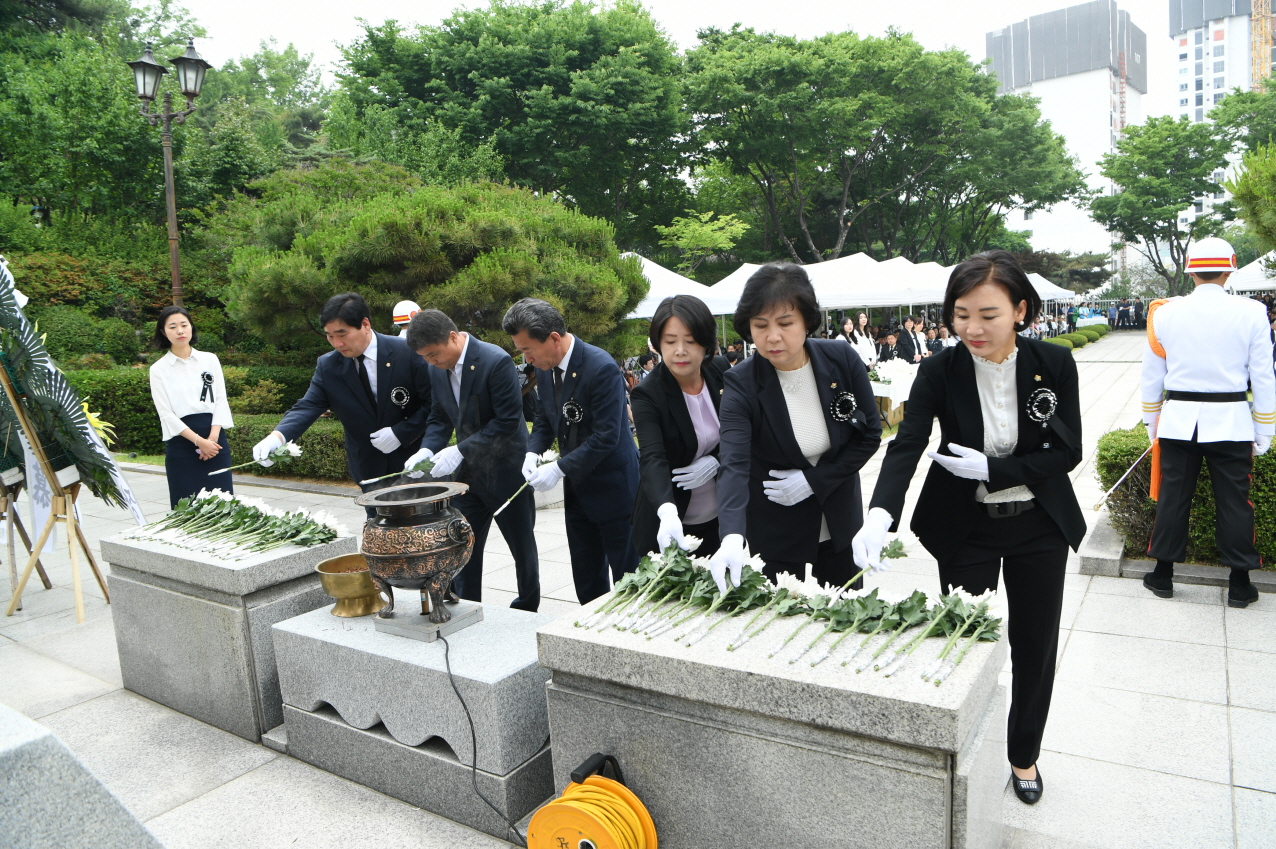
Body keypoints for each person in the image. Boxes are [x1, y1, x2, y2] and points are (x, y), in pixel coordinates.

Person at [853, 250, 1085, 807]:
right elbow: (907, 442)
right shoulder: (941, 369)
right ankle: (963, 747)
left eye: (988, 314)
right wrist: (880, 513)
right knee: (962, 641)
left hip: (1038, 524)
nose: (972, 328)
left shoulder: (1053, 362)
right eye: (961, 315)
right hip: (967, 525)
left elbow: (1068, 451)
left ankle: (1023, 753)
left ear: (1021, 311)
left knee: (1035, 647)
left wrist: (998, 469)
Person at [708, 263, 881, 593]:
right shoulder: (741, 383)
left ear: (807, 322)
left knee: (845, 613)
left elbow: (870, 434)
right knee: (781, 616)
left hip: (840, 519)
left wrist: (814, 481)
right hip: (777, 527)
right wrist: (731, 535)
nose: (772, 336)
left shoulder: (841, 359)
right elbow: (734, 463)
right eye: (760, 325)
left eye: (785, 323)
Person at [1141, 236, 1274, 609]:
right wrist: (1264, 428)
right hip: (1231, 422)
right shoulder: (1252, 312)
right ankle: (1239, 583)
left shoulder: (1164, 313)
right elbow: (1264, 377)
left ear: (1190, 272)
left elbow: (1151, 376)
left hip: (1178, 421)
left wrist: (1151, 422)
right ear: (1230, 269)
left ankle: (1163, 575)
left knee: (1173, 498)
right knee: (1235, 502)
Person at [401, 310, 540, 611]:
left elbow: (506, 421)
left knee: (522, 546)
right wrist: (427, 450)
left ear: (453, 337)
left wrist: (459, 449)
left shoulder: (494, 361)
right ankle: (467, 604)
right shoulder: (436, 369)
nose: (431, 362)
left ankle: (528, 606)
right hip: (469, 476)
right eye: (425, 357)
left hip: (507, 470)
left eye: (434, 354)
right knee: (463, 544)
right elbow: (439, 416)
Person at [504, 298, 639, 604]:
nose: (526, 359)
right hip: (578, 490)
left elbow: (606, 436)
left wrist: (558, 468)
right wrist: (532, 452)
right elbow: (544, 417)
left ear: (553, 338)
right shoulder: (546, 367)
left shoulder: (600, 367)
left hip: (615, 489)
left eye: (528, 349)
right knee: (587, 578)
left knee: (629, 579)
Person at [254, 293, 432, 511]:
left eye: (342, 334)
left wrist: (401, 432)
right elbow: (308, 405)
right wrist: (277, 437)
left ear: (365, 324)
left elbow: (434, 404)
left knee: (425, 525)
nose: (337, 343)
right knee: (379, 527)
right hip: (370, 469)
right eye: (329, 336)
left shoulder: (408, 353)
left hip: (416, 463)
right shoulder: (329, 366)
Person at [630, 296, 729, 560]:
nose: (680, 351)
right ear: (658, 344)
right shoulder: (648, 393)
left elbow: (743, 433)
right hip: (673, 521)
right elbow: (652, 457)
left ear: (706, 342)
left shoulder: (719, 371)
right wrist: (666, 511)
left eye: (691, 341)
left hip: (722, 518)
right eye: (671, 341)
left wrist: (717, 460)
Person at [149, 306, 234, 508]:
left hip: (215, 442)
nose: (180, 331)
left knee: (222, 506)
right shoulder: (158, 369)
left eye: (184, 325)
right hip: (182, 445)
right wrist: (199, 442)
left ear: (191, 327)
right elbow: (166, 414)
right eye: (172, 327)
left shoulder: (210, 359)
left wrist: (211, 440)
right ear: (163, 332)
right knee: (186, 507)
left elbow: (220, 400)